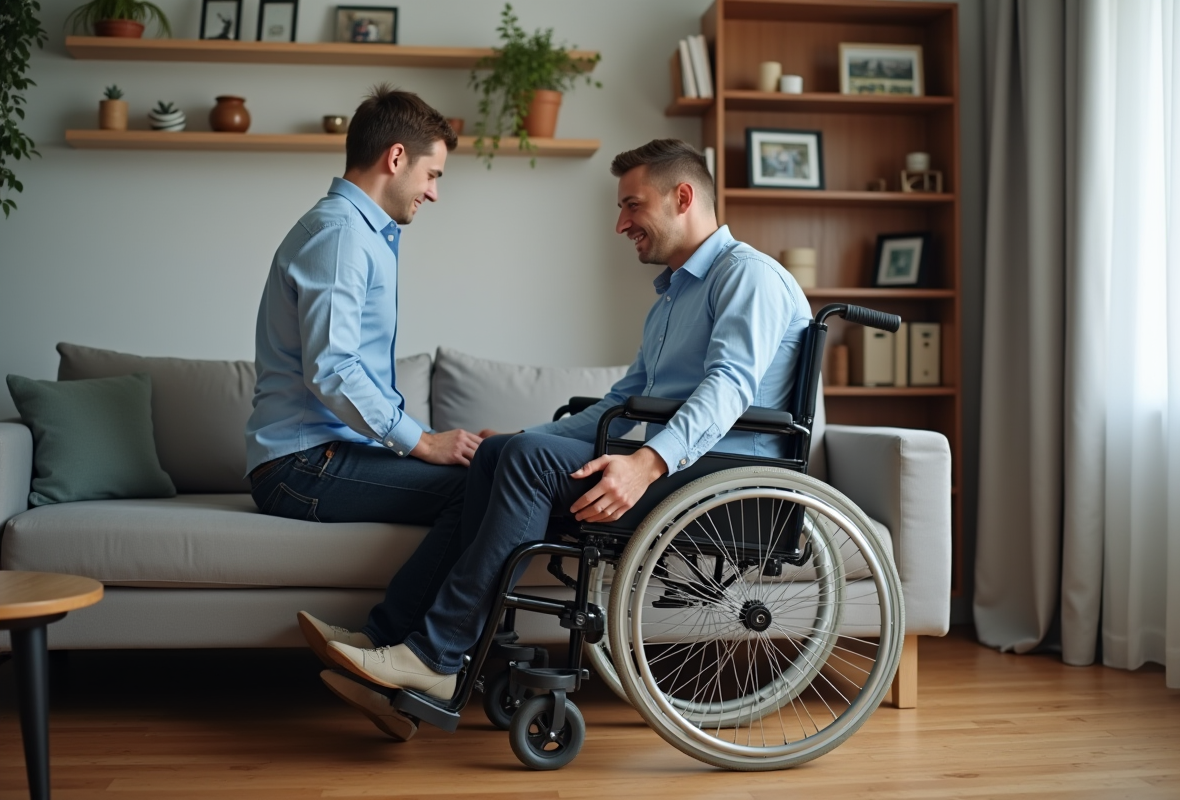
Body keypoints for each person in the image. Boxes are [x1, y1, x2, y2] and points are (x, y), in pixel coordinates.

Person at [307, 137, 810, 712]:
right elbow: (623, 402)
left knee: (520, 462)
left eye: (632, 205)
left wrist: (645, 464)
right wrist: (527, 436)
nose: (621, 224)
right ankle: (393, 637)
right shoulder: (671, 299)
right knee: (503, 454)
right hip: (684, 470)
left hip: (726, 480)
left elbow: (730, 388)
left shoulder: (747, 277)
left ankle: (436, 659)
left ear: (683, 197)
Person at [244, 85, 482, 741]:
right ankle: (400, 653)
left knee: (480, 470)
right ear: (396, 157)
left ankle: (378, 659)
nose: (433, 192)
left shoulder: (360, 232)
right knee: (476, 489)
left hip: (316, 454)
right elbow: (334, 369)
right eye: (433, 174)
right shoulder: (342, 236)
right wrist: (421, 442)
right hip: (300, 465)